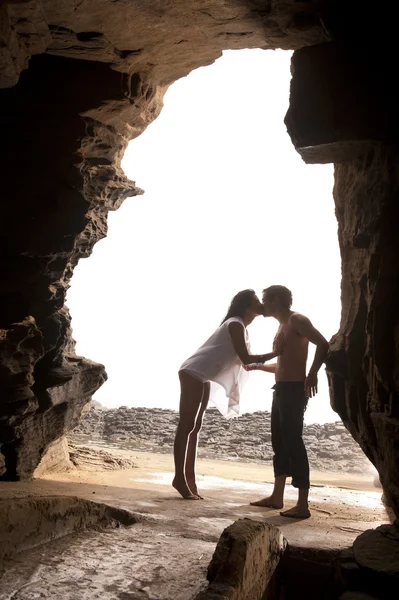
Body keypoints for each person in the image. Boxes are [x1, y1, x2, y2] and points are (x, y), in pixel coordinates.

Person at [173, 289, 283, 500]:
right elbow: (245, 358)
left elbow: (245, 362)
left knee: (195, 428)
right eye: (256, 301)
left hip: (202, 375)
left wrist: (269, 360)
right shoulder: (234, 323)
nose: (260, 304)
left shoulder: (240, 327)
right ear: (246, 305)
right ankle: (179, 478)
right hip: (193, 372)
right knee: (187, 425)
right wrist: (276, 354)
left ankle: (190, 479)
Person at [247, 285, 329, 519]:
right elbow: (283, 365)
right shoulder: (281, 326)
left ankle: (303, 505)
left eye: (265, 300)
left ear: (277, 301)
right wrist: (259, 366)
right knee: (279, 443)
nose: (262, 305)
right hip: (281, 388)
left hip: (294, 389)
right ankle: (277, 497)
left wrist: (313, 373)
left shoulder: (297, 320)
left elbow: (322, 344)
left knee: (293, 442)